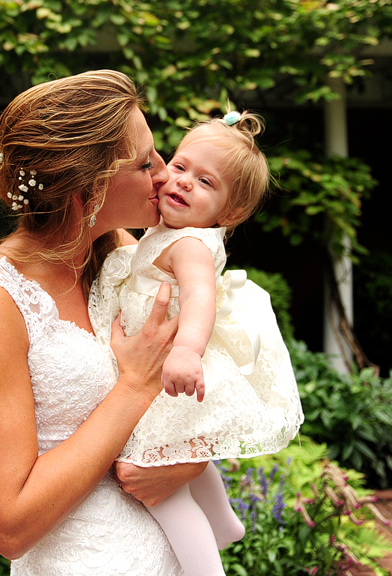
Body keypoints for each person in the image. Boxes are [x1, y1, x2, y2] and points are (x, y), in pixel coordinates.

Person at [0, 70, 205, 576]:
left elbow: (203, 394)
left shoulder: (129, 258)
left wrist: (192, 460)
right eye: (144, 162)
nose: (165, 173)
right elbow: (8, 527)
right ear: (87, 184)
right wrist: (133, 387)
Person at [88, 111, 304, 576]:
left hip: (169, 373)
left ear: (230, 213)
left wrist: (185, 350)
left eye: (205, 182)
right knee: (182, 450)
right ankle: (225, 522)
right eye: (181, 166)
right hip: (165, 370)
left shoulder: (188, 244)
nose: (182, 182)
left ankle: (209, 569)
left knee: (163, 486)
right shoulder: (167, 232)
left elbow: (202, 296)